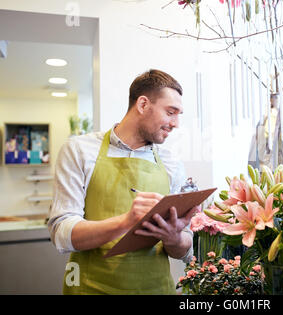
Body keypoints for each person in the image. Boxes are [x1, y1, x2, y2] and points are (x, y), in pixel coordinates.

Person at [48, 69, 198, 294]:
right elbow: (61, 234)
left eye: (178, 114)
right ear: (143, 104)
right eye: (170, 112)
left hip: (156, 289)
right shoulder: (79, 150)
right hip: (91, 288)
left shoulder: (171, 163)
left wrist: (174, 237)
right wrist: (126, 221)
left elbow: (185, 251)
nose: (175, 123)